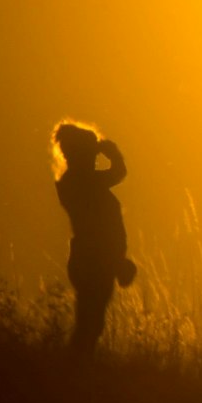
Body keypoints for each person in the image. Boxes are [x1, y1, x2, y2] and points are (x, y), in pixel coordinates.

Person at [51, 121, 136, 357]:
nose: (94, 159)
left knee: (91, 321)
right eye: (90, 153)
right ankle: (75, 365)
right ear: (78, 154)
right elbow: (118, 173)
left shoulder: (76, 182)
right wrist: (111, 151)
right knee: (90, 322)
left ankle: (76, 363)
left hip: (92, 259)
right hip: (93, 260)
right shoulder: (79, 183)